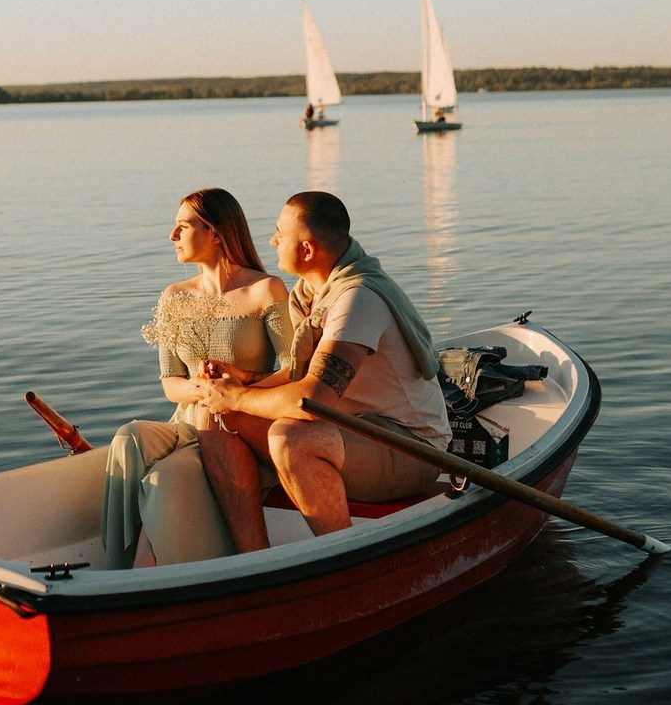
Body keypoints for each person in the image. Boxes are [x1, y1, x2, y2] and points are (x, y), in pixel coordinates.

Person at [193, 191, 449, 550]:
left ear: (308, 250)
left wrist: (239, 395)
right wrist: (245, 383)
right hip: (350, 430)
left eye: (280, 233)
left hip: (411, 447)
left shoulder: (357, 299)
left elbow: (315, 397)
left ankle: (342, 558)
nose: (273, 240)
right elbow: (301, 375)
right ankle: (252, 555)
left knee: (291, 438)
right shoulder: (309, 294)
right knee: (215, 415)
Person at [100, 188, 291, 568]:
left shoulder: (265, 289)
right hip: (189, 419)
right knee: (128, 436)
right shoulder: (174, 297)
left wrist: (240, 382)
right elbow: (170, 383)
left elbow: (291, 370)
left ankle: (141, 580)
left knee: (167, 476)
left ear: (216, 233)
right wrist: (201, 387)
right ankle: (117, 566)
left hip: (242, 419)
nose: (173, 236)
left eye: (182, 226)